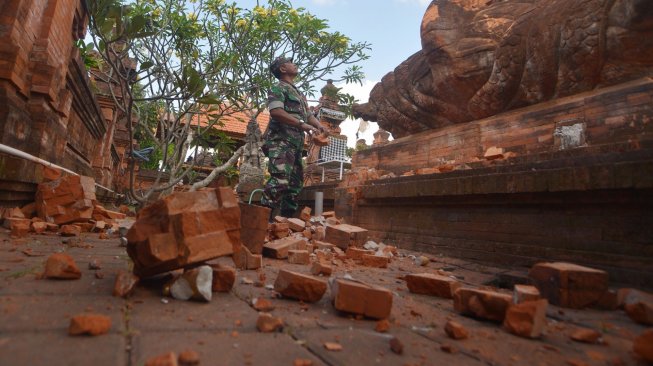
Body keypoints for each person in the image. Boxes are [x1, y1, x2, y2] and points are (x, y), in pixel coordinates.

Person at [261, 56, 326, 219]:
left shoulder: (298, 93)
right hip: (280, 142)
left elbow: (308, 115)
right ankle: (261, 221)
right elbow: (276, 112)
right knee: (280, 181)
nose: (295, 64)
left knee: (294, 186)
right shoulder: (278, 88)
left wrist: (319, 125)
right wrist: (302, 125)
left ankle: (286, 224)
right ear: (283, 69)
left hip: (295, 145)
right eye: (290, 63)